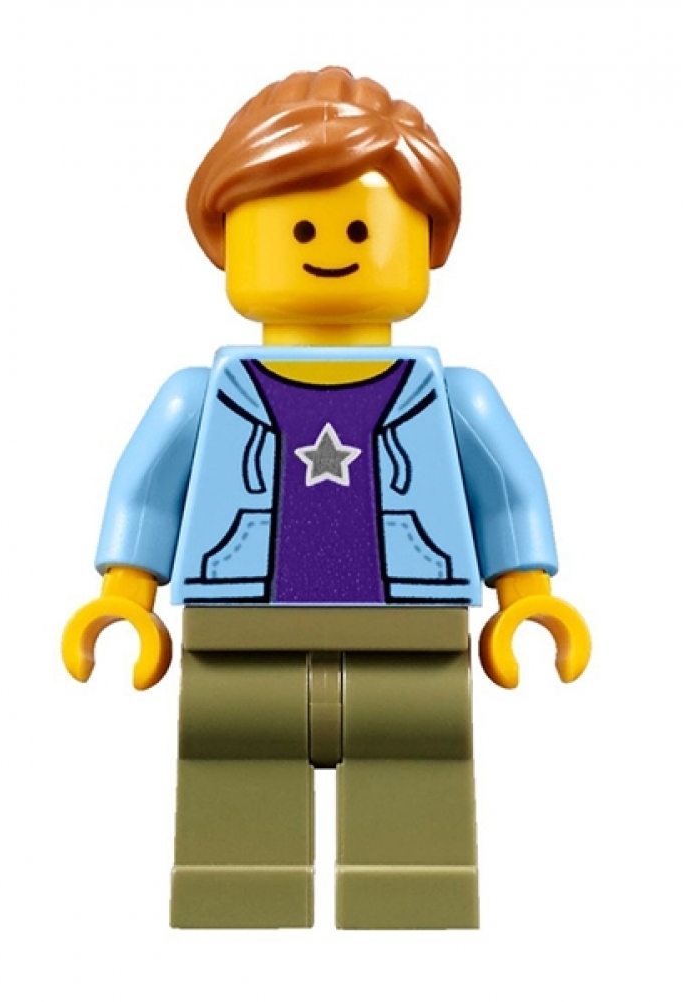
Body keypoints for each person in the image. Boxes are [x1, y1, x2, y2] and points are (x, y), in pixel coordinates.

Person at [62, 67, 590, 929]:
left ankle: (411, 901)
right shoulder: (203, 397)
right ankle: (238, 896)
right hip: (237, 631)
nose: (331, 246)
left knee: (418, 763)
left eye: (361, 226)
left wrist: (527, 596)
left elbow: (506, 492)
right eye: (299, 226)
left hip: (414, 632)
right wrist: (125, 595)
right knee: (232, 761)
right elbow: (148, 491)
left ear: (426, 242)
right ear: (226, 239)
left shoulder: (453, 396)